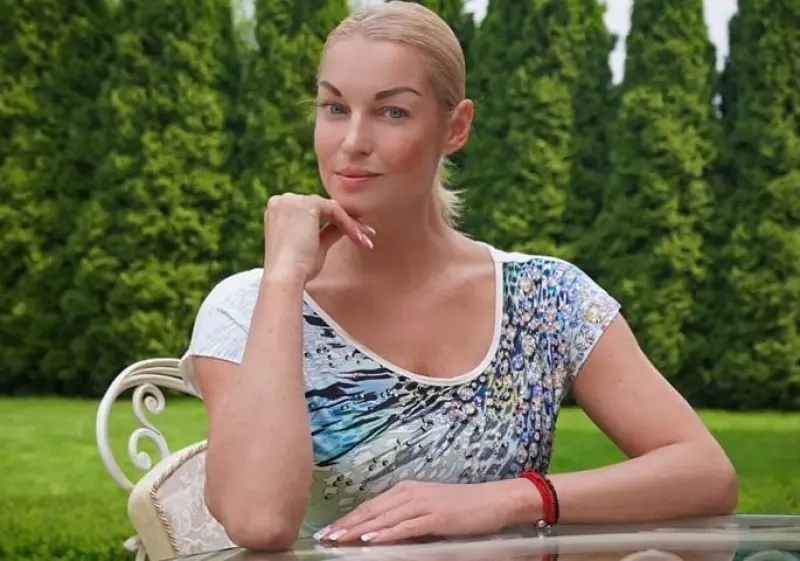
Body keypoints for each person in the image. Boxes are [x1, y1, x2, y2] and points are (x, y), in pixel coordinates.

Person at [182, 1, 738, 552]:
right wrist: (284, 279)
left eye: (392, 112)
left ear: (456, 127)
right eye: (334, 108)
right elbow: (259, 522)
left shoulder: (545, 299)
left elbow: (706, 474)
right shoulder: (248, 306)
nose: (352, 141)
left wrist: (514, 498)